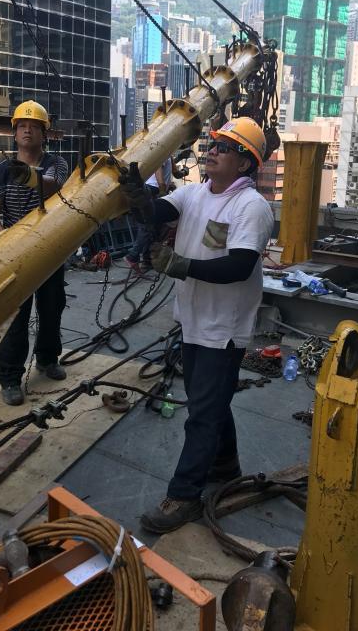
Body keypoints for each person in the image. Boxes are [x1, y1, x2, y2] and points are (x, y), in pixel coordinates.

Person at [121, 117, 274, 533]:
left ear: (245, 163)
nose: (213, 150)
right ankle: (225, 464)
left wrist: (180, 265)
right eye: (214, 143)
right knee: (209, 400)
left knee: (202, 413)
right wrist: (137, 197)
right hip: (193, 319)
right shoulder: (194, 193)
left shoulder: (250, 207)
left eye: (225, 147)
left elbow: (239, 266)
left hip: (223, 328)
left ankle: (185, 495)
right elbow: (157, 212)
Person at [0, 100, 69, 406]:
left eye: (34, 126)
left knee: (51, 309)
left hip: (49, 248)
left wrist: (30, 177)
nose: (27, 131)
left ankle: (47, 359)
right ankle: (10, 378)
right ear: (15, 132)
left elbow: (55, 188)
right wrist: (3, 236)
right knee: (15, 318)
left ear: (44, 133)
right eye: (22, 126)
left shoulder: (56, 163)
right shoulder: (1, 171)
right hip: (15, 253)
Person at [124, 156, 178, 272]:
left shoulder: (169, 155)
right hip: (153, 190)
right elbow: (158, 170)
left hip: (153, 189)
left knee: (152, 228)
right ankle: (133, 256)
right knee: (147, 227)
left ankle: (146, 261)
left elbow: (176, 172)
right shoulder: (164, 151)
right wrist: (162, 190)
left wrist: (183, 172)